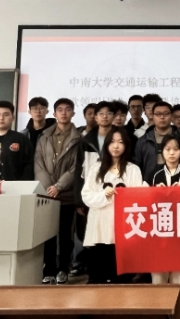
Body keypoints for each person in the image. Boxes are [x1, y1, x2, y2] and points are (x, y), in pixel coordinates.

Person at [145, 134, 180, 319]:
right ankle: (159, 315)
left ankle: (179, 316)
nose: (172, 153)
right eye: (168, 149)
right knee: (158, 279)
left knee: (179, 281)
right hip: (158, 234)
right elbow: (141, 200)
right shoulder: (153, 173)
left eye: (176, 149)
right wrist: (156, 193)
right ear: (162, 152)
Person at [82, 127, 143, 284]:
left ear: (126, 145)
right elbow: (86, 195)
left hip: (123, 230)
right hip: (99, 229)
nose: (116, 146)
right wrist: (104, 195)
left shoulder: (133, 170)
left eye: (120, 142)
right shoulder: (96, 168)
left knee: (122, 280)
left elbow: (138, 199)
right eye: (112, 142)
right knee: (98, 278)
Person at [34, 98, 82, 285]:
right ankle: (49, 270)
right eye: (60, 110)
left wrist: (59, 187)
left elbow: (76, 168)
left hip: (67, 195)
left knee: (65, 235)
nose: (63, 113)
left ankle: (63, 269)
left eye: (68, 109)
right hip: (47, 196)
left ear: (73, 113)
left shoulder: (79, 138)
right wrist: (49, 188)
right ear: (53, 114)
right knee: (48, 235)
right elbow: (39, 164)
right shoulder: (44, 137)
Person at [73, 100, 115, 266]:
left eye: (108, 113)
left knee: (112, 233)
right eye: (101, 114)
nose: (105, 117)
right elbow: (79, 172)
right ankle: (93, 270)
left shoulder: (122, 138)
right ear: (95, 117)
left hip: (114, 192)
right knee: (92, 233)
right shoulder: (86, 141)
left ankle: (112, 271)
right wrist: (79, 200)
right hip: (92, 193)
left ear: (114, 116)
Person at [135, 101, 180, 182]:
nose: (162, 117)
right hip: (150, 183)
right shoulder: (143, 141)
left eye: (166, 114)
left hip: (177, 184)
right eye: (158, 114)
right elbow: (137, 166)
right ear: (152, 116)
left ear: (171, 116)